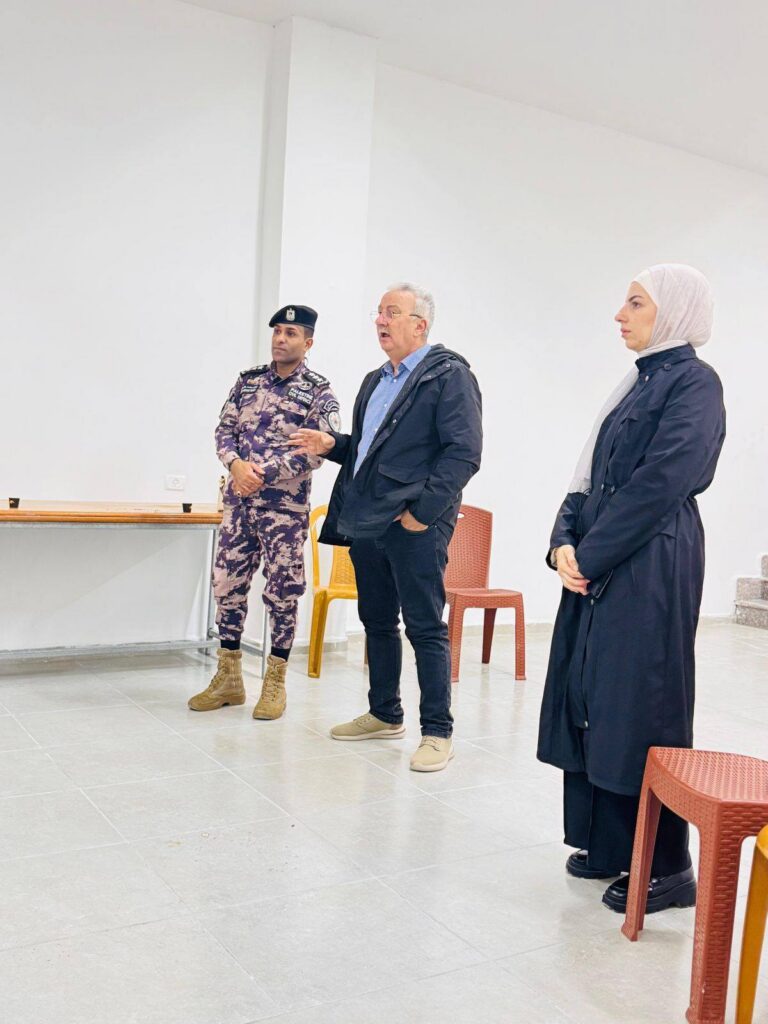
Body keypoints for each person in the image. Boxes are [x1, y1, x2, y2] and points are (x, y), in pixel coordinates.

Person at [537, 264, 726, 913]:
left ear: (673, 311)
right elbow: (588, 475)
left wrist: (589, 554)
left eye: (637, 303)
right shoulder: (636, 383)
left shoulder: (695, 382)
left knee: (642, 703)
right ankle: (612, 843)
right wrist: (563, 541)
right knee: (593, 697)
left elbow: (661, 482)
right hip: (606, 554)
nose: (621, 314)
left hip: (651, 563)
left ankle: (667, 866)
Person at [289, 282, 482, 772]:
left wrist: (422, 514)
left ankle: (437, 732)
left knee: (424, 627)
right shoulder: (376, 381)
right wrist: (333, 445)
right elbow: (369, 451)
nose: (380, 320)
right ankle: (384, 713)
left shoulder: (449, 376)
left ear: (420, 324)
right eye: (378, 312)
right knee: (376, 620)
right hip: (368, 520)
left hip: (414, 525)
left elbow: (463, 453)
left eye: (391, 312)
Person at [188, 305, 340, 719]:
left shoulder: (319, 393)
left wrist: (263, 473)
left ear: (308, 343)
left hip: (283, 511)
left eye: (291, 333)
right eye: (277, 331)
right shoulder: (248, 381)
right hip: (238, 504)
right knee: (227, 584)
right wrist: (236, 465)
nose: (280, 339)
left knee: (283, 591)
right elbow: (224, 430)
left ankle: (275, 682)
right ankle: (228, 678)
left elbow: (316, 452)